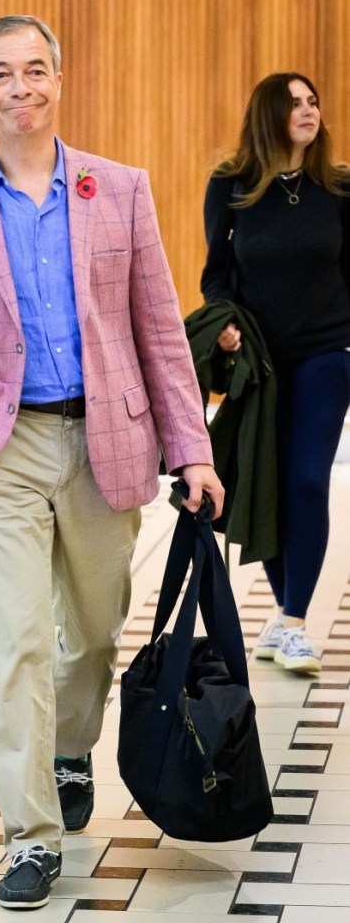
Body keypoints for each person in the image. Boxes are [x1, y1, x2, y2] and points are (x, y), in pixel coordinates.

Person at [0, 14, 224, 911]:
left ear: (58, 80)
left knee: (93, 636)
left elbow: (158, 328)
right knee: (17, 646)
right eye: (2, 73)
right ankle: (29, 837)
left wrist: (190, 448)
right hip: (2, 446)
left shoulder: (116, 189)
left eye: (35, 70)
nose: (20, 87)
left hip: (105, 440)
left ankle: (71, 752)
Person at [200, 72, 350, 676]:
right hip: (258, 361)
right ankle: (285, 614)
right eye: (294, 103)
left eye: (312, 101)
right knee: (269, 484)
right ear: (268, 114)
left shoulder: (338, 189)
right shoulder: (231, 186)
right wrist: (226, 325)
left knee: (308, 482)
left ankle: (293, 621)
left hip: (326, 355)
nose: (308, 110)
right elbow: (217, 274)